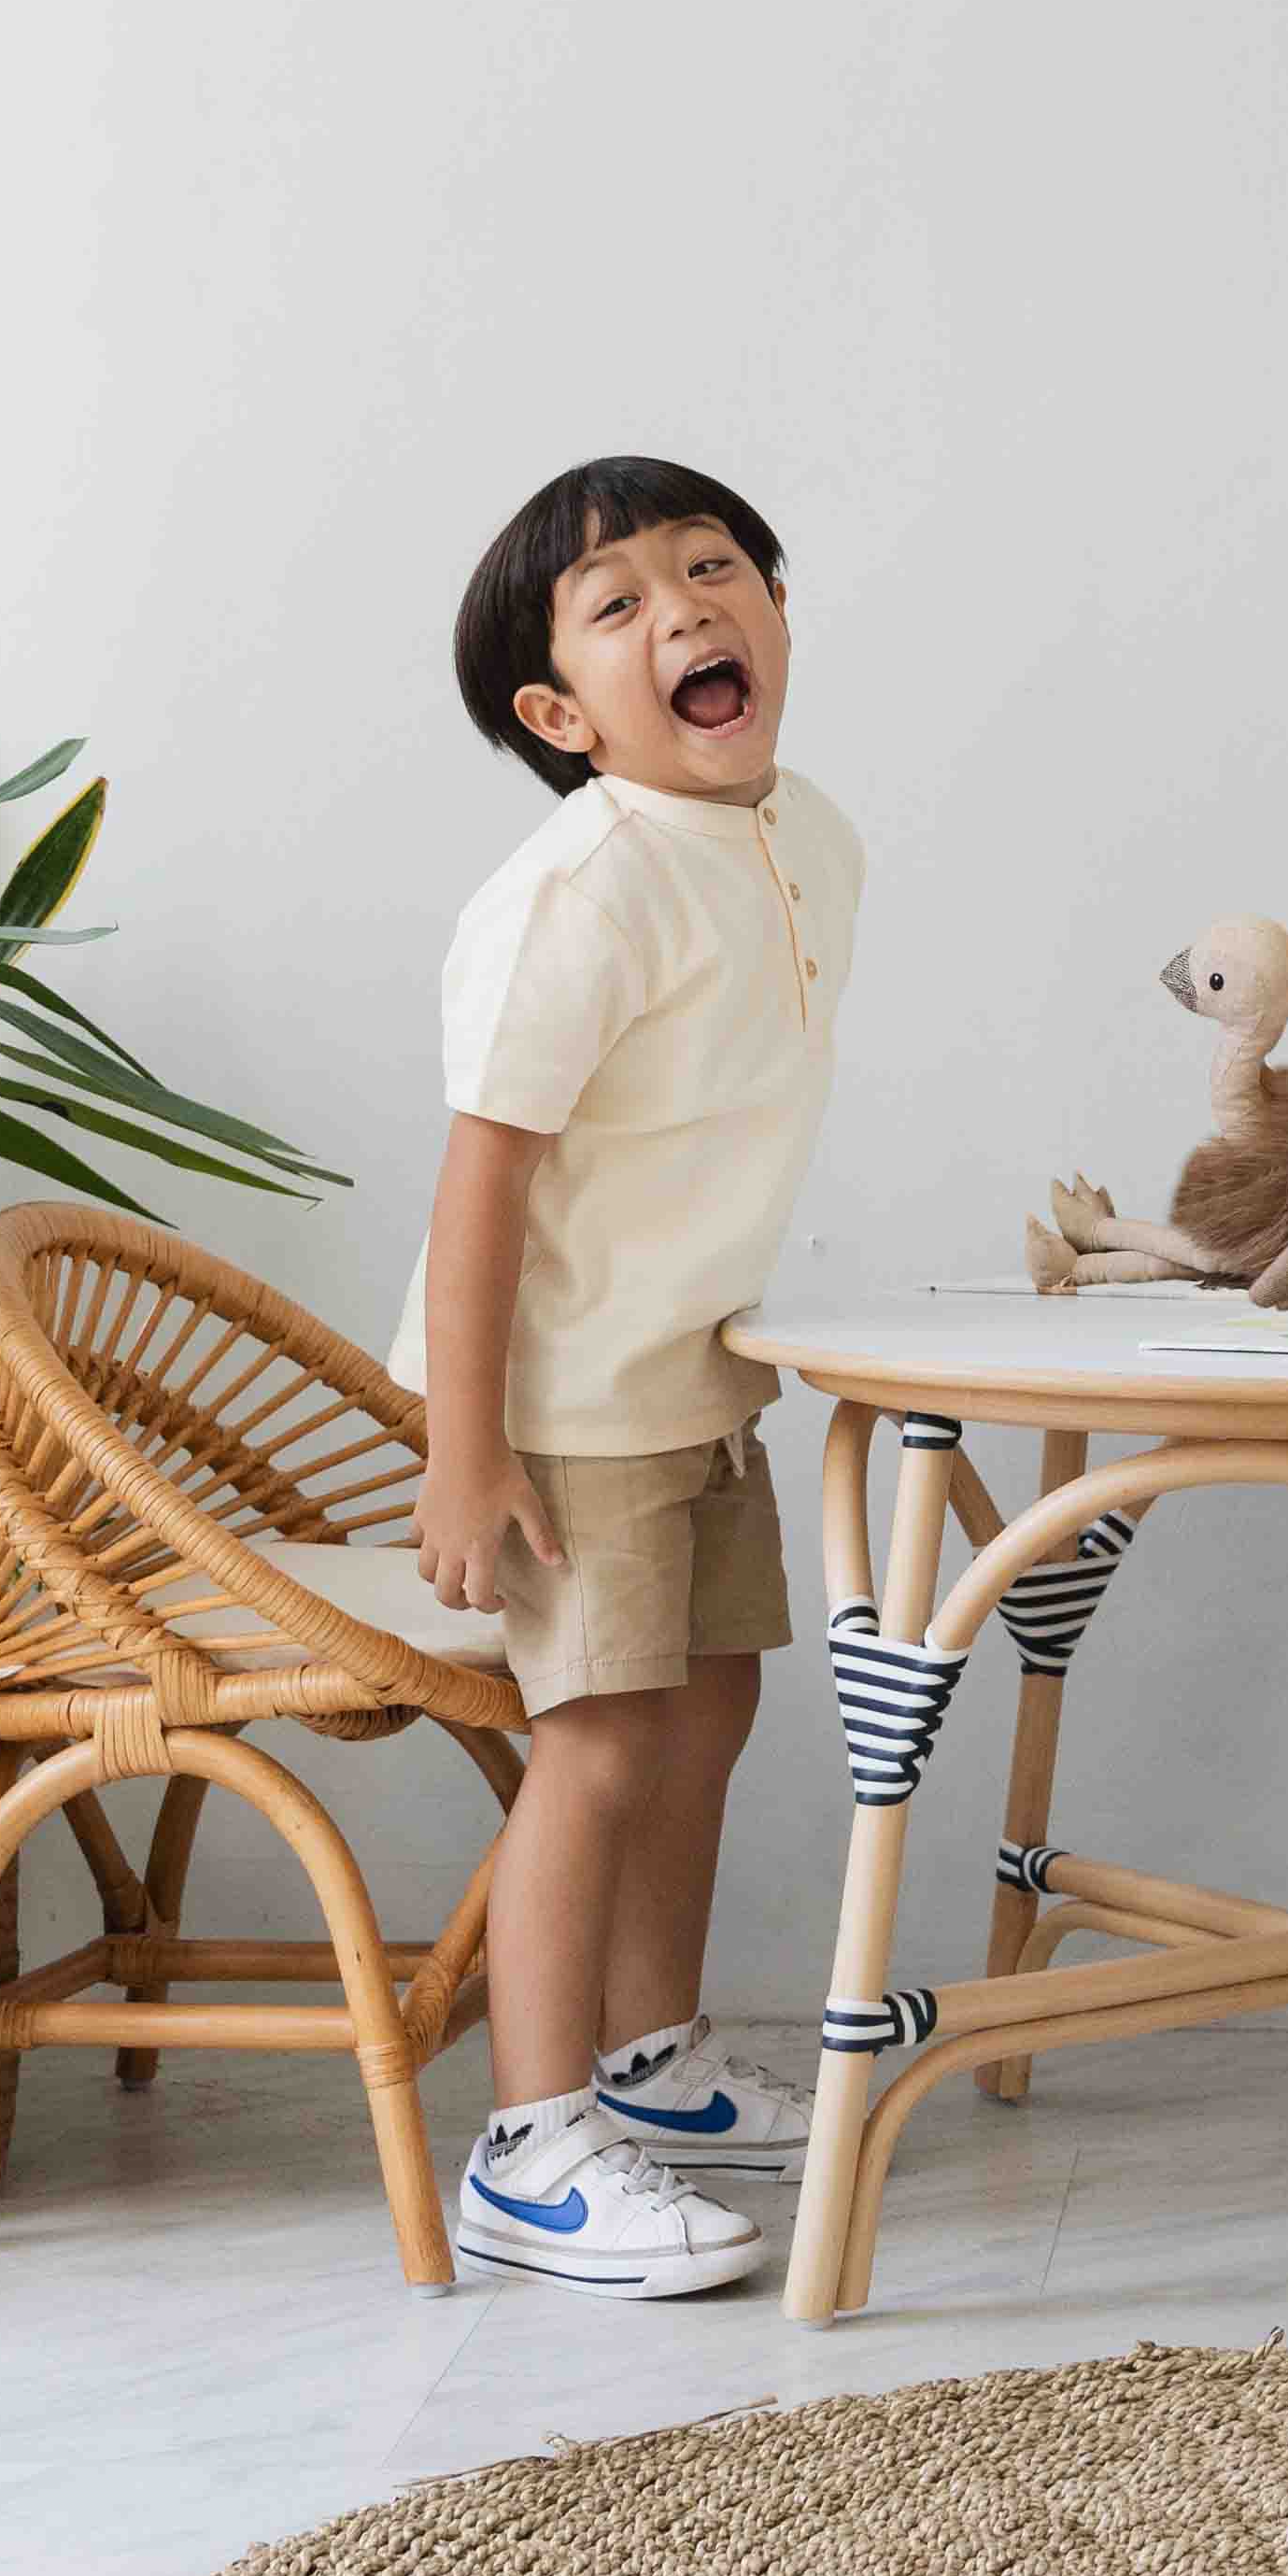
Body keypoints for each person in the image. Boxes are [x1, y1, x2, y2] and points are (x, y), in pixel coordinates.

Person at [388, 454, 864, 2298]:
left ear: (775, 614)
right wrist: (462, 1444)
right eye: (620, 602)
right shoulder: (579, 890)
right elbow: (486, 1170)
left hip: (693, 1371)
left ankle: (653, 2072)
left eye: (715, 566)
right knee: (590, 1745)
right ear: (558, 713)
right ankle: (531, 2141)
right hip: (562, 1400)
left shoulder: (805, 831)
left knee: (711, 1702)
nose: (685, 609)